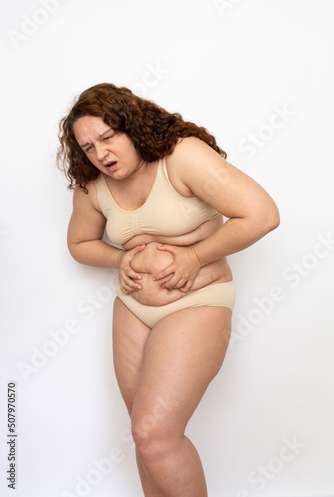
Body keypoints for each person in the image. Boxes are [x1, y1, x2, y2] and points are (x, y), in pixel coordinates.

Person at [57, 83, 280, 497]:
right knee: (144, 437)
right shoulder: (93, 185)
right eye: (88, 147)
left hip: (198, 302)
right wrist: (120, 259)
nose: (101, 154)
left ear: (132, 127)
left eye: (108, 137)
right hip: (133, 309)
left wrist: (194, 257)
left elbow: (262, 214)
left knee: (155, 432)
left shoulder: (182, 156)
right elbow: (79, 244)